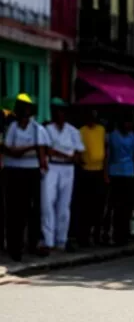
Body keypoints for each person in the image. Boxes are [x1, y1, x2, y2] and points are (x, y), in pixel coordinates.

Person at [2, 94, 50, 260]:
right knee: (15, 210)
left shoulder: (38, 129)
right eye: (22, 109)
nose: (25, 113)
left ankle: (32, 244)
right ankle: (14, 247)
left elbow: (41, 155)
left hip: (31, 172)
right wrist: (30, 148)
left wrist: (28, 151)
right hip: (13, 172)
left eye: (28, 110)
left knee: (33, 210)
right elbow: (11, 151)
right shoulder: (12, 128)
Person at [42, 98, 85, 252]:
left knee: (64, 206)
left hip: (68, 169)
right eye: (56, 111)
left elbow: (78, 154)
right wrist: (66, 155)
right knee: (48, 203)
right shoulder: (47, 129)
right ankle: (48, 240)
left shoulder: (73, 131)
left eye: (61, 111)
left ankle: (61, 239)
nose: (59, 114)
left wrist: (65, 156)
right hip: (52, 167)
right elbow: (48, 151)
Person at [75, 109, 107, 249]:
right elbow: (77, 150)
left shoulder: (101, 130)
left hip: (99, 171)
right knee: (85, 207)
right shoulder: (81, 131)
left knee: (98, 207)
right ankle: (84, 237)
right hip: (86, 172)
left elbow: (105, 151)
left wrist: (105, 173)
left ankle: (97, 236)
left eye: (94, 117)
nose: (92, 120)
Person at [107, 115, 134, 246]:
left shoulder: (132, 137)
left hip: (129, 172)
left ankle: (124, 234)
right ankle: (116, 234)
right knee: (117, 206)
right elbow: (109, 155)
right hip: (116, 172)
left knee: (127, 206)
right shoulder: (113, 136)